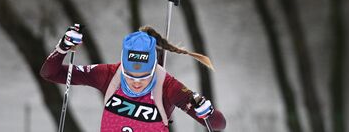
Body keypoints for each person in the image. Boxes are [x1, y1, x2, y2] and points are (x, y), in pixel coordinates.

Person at [41, 24, 226, 131]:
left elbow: (218, 124)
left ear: (154, 67)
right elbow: (50, 73)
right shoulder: (108, 74)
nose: (136, 82)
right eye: (129, 76)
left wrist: (207, 112)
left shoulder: (168, 86)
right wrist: (62, 48)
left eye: (144, 77)